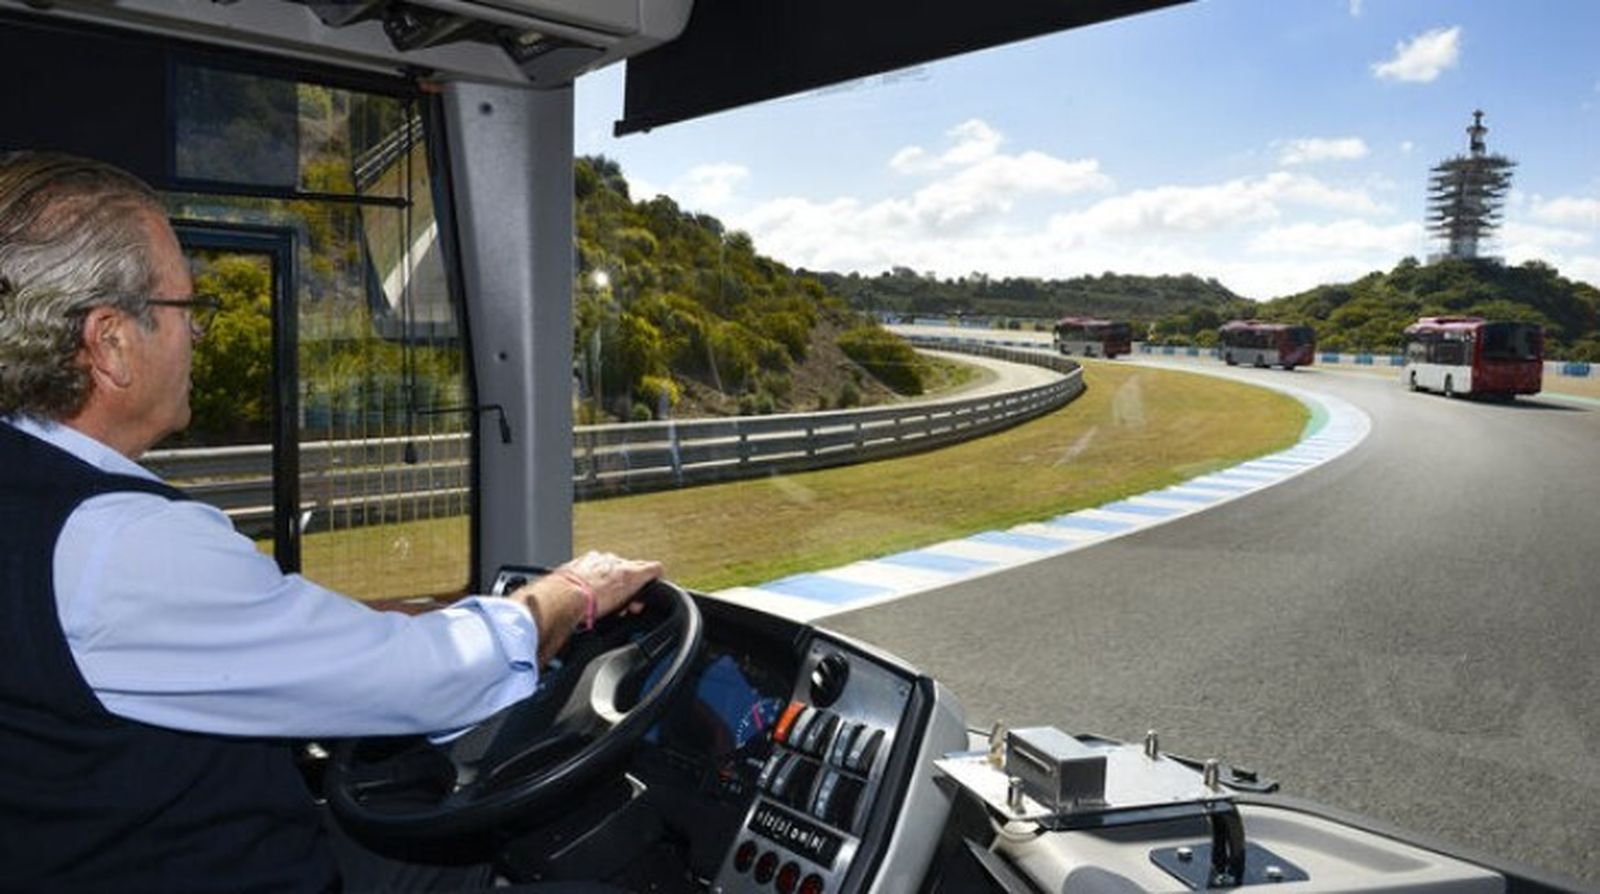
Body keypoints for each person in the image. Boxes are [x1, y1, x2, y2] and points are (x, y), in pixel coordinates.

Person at [0, 151, 659, 891]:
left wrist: (384, 620)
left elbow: (226, 633)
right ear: (111, 341)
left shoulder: (38, 500)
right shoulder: (119, 543)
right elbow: (423, 682)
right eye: (189, 310)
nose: (200, 336)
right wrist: (573, 593)